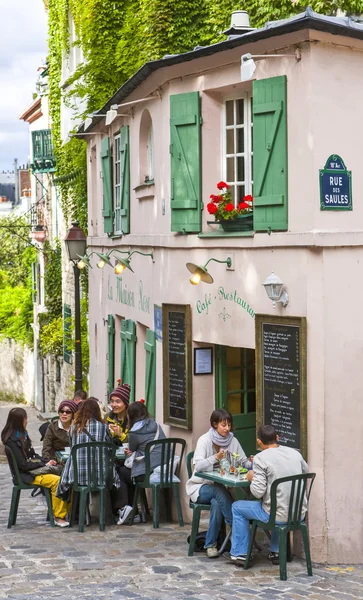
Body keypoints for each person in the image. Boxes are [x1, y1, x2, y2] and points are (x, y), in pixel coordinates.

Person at [225, 424, 309, 567]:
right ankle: (276, 552)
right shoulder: (295, 453)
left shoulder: (260, 458)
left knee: (237, 507)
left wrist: (252, 478)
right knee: (280, 500)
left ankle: (240, 554)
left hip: (276, 515)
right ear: (277, 438)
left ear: (259, 442)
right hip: (299, 514)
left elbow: (257, 492)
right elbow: (305, 472)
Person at [186, 408, 251, 558]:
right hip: (200, 486)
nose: (227, 429)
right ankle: (235, 526)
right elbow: (198, 466)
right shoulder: (204, 440)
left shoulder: (232, 440)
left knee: (217, 502)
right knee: (217, 491)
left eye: (229, 425)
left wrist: (250, 462)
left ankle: (210, 545)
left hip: (222, 486)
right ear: (215, 424)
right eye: (223, 425)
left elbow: (242, 460)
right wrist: (216, 457)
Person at [1, 407, 70, 527]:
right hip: (26, 476)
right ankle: (59, 516)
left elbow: (32, 454)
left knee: (65, 475)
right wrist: (42, 464)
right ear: (19, 421)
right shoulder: (12, 440)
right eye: (25, 418)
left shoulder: (22, 434)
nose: (27, 421)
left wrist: (46, 461)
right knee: (58, 481)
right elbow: (23, 464)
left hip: (30, 471)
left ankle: (68, 511)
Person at [56, 397, 120, 502]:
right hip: (101, 476)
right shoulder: (104, 427)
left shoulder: (74, 428)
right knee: (114, 475)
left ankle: (76, 515)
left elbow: (73, 447)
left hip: (77, 476)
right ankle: (111, 512)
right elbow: (109, 447)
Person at [114, 401, 165, 525]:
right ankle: (135, 511)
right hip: (161, 468)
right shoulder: (156, 425)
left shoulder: (134, 431)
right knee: (128, 472)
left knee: (120, 472)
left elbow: (132, 448)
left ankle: (127, 509)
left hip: (145, 472)